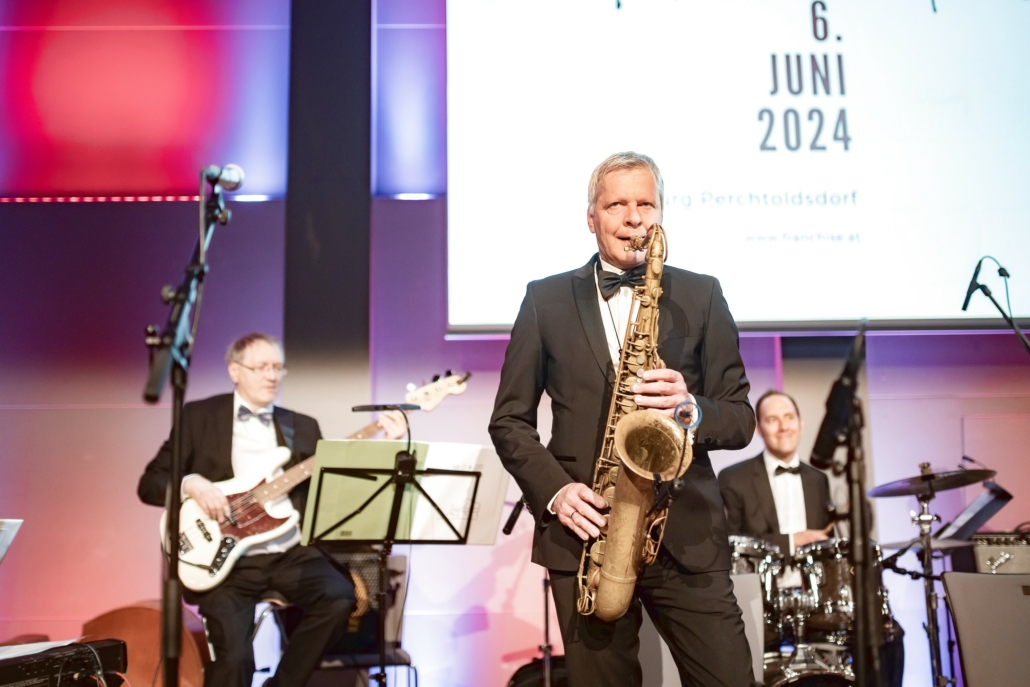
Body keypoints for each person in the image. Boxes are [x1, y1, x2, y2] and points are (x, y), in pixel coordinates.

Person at [490, 152, 756, 687]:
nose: (634, 217)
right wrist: (557, 492)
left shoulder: (702, 293)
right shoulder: (544, 300)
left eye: (646, 205)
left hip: (687, 536)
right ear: (591, 217)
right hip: (588, 535)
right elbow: (509, 421)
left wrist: (689, 408)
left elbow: (740, 418)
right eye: (617, 205)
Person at [138, 332, 405, 687]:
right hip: (225, 562)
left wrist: (384, 448)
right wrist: (192, 483)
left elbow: (334, 494)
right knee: (235, 663)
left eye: (278, 367)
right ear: (234, 370)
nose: (272, 375)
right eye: (261, 367)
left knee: (340, 599)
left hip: (287, 554)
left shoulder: (302, 426)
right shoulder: (199, 416)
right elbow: (150, 483)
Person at [718, 389, 904, 686]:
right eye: (772, 419)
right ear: (759, 429)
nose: (783, 426)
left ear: (801, 424)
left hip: (816, 603)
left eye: (789, 417)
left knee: (887, 633)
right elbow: (730, 542)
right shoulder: (733, 478)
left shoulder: (818, 479)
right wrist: (792, 541)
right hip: (765, 603)